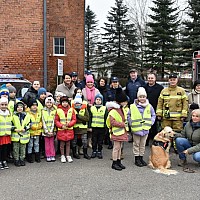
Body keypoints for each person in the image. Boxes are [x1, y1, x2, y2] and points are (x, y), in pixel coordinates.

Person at [128, 87, 156, 167]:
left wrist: (151, 122)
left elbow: (153, 114)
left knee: (143, 144)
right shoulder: (133, 106)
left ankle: (141, 157)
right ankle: (137, 158)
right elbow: (128, 115)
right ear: (138, 97)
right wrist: (131, 123)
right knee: (136, 144)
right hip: (136, 129)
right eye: (140, 97)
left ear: (146, 97)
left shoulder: (149, 106)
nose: (142, 98)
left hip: (145, 128)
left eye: (143, 97)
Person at [106, 88, 128, 171]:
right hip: (116, 132)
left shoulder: (121, 109)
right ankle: (114, 162)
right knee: (116, 147)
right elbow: (112, 122)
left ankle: (118, 161)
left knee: (120, 147)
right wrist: (122, 124)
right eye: (124, 101)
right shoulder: (113, 111)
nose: (126, 103)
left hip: (121, 132)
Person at [55, 96, 76, 163]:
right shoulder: (58, 110)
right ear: (61, 103)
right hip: (61, 130)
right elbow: (56, 120)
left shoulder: (71, 110)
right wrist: (61, 126)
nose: (65, 103)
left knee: (68, 144)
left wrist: (69, 124)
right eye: (63, 102)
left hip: (69, 129)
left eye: (66, 102)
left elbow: (74, 119)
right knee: (62, 144)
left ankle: (68, 155)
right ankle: (62, 155)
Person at [146, 73, 164, 145]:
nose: (150, 79)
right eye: (149, 78)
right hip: (146, 110)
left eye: (152, 78)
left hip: (156, 109)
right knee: (146, 125)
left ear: (155, 79)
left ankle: (155, 141)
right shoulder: (144, 87)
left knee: (155, 127)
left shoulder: (160, 88)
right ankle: (146, 141)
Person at [11, 102, 31, 167]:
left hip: (24, 135)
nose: (20, 108)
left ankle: (22, 159)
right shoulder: (13, 115)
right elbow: (10, 124)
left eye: (21, 107)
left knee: (23, 148)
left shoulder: (26, 115)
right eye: (18, 107)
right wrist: (14, 129)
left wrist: (25, 128)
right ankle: (16, 159)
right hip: (16, 135)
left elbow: (30, 123)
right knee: (15, 148)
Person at [71, 94, 90, 159]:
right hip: (75, 128)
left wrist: (78, 116)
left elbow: (87, 118)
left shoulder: (85, 109)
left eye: (79, 103)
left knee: (84, 141)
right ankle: (74, 153)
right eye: (76, 103)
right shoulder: (72, 110)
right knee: (74, 142)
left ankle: (85, 154)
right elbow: (72, 119)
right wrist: (82, 120)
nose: (77, 105)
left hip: (83, 129)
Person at [89, 94, 108, 159]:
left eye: (99, 100)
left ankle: (99, 151)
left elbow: (106, 118)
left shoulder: (104, 108)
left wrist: (106, 127)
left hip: (101, 128)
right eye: (97, 99)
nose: (98, 101)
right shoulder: (92, 108)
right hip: (94, 127)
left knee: (100, 141)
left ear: (102, 101)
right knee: (94, 140)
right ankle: (94, 151)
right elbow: (90, 118)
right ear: (94, 100)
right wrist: (89, 127)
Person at [42, 97, 57, 162]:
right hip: (45, 130)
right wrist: (46, 130)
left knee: (52, 143)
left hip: (52, 130)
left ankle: (52, 155)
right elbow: (43, 121)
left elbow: (54, 121)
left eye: (50, 102)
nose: (49, 104)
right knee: (47, 143)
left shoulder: (54, 110)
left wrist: (51, 130)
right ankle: (48, 155)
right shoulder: (43, 110)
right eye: (47, 102)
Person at [0, 97, 12, 170]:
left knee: (5, 149)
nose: (4, 106)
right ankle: (0, 161)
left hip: (6, 134)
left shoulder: (9, 113)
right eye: (2, 104)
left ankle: (4, 160)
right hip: (0, 134)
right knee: (0, 149)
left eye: (5, 104)